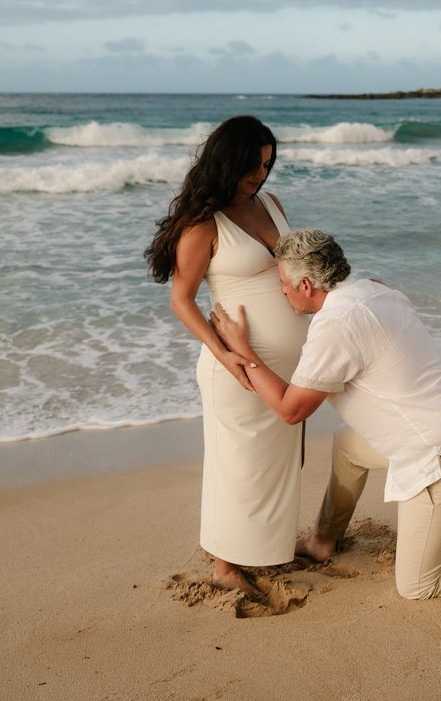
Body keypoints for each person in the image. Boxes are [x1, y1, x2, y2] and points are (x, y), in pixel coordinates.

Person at [210, 229, 441, 600]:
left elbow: (291, 411)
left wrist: (244, 350)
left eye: (284, 283)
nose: (281, 290)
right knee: (348, 444)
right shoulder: (373, 289)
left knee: (418, 585)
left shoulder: (336, 325)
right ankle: (323, 539)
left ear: (307, 285)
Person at [144, 115, 309, 595]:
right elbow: (181, 299)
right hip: (234, 365)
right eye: (252, 164)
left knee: (277, 460)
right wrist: (224, 353)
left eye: (267, 162)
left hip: (284, 362)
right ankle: (225, 565)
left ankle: (267, 550)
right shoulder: (202, 223)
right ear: (227, 161)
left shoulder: (272, 205)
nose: (261, 173)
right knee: (236, 461)